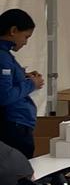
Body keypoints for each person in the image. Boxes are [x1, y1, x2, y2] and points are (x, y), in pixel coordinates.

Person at [0, 9, 41, 158]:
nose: (25, 42)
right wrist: (32, 84)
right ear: (13, 30)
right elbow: (4, 95)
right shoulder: (3, 57)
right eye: (26, 36)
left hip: (16, 125)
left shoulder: (6, 56)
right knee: (20, 173)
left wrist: (23, 76)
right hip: (13, 126)